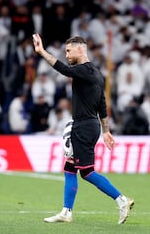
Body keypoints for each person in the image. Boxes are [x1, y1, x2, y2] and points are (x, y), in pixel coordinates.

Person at [32, 34, 134, 224]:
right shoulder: (95, 73)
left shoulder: (84, 70)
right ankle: (66, 212)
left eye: (69, 51)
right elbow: (102, 105)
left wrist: (41, 52)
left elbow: (62, 69)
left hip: (84, 126)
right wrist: (106, 131)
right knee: (70, 167)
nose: (67, 55)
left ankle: (122, 200)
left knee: (87, 172)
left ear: (81, 49)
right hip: (87, 125)